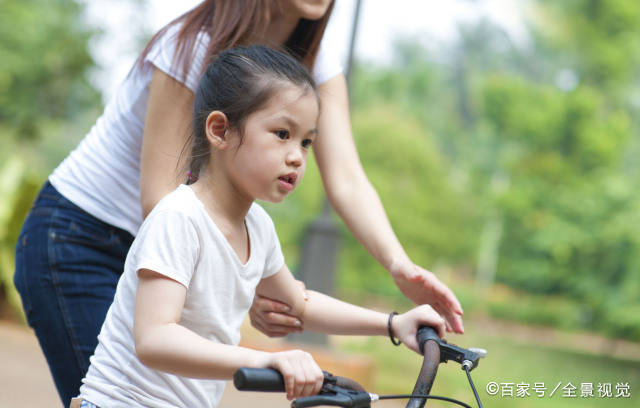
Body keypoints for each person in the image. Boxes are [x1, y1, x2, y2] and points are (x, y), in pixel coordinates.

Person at [14, 0, 463, 405]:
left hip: (173, 249)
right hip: (79, 236)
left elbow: (304, 286)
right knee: (124, 388)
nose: (296, 155)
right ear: (220, 129)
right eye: (283, 134)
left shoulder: (259, 220)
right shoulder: (190, 48)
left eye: (306, 142)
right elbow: (162, 204)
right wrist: (250, 316)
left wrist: (394, 312)